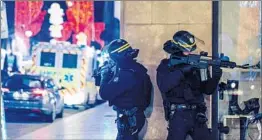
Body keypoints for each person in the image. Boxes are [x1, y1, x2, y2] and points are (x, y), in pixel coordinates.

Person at [156, 30, 222, 140]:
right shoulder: (166, 65)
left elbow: (207, 90)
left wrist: (215, 77)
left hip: (197, 115)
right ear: (177, 48)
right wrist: (182, 72)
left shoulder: (198, 64)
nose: (190, 52)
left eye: (191, 49)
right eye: (187, 50)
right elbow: (164, 85)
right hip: (178, 115)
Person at [96, 39, 153, 140]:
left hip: (130, 120)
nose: (111, 61)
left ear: (116, 56)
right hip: (135, 117)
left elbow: (104, 93)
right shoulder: (136, 68)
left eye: (111, 58)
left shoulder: (126, 74)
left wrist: (104, 76)